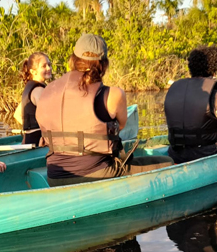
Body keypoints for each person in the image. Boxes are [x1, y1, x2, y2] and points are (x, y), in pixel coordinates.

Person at [35, 34, 173, 187]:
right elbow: (119, 126)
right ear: (103, 64)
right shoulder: (114, 94)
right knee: (167, 163)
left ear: (73, 59)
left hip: (55, 177)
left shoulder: (46, 91)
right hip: (97, 173)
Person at [13, 52, 52, 145]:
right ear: (33, 71)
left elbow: (17, 114)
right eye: (44, 66)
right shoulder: (39, 90)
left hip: (28, 140)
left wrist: (29, 127)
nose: (48, 68)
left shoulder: (30, 87)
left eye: (49, 65)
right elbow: (48, 118)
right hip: (38, 141)